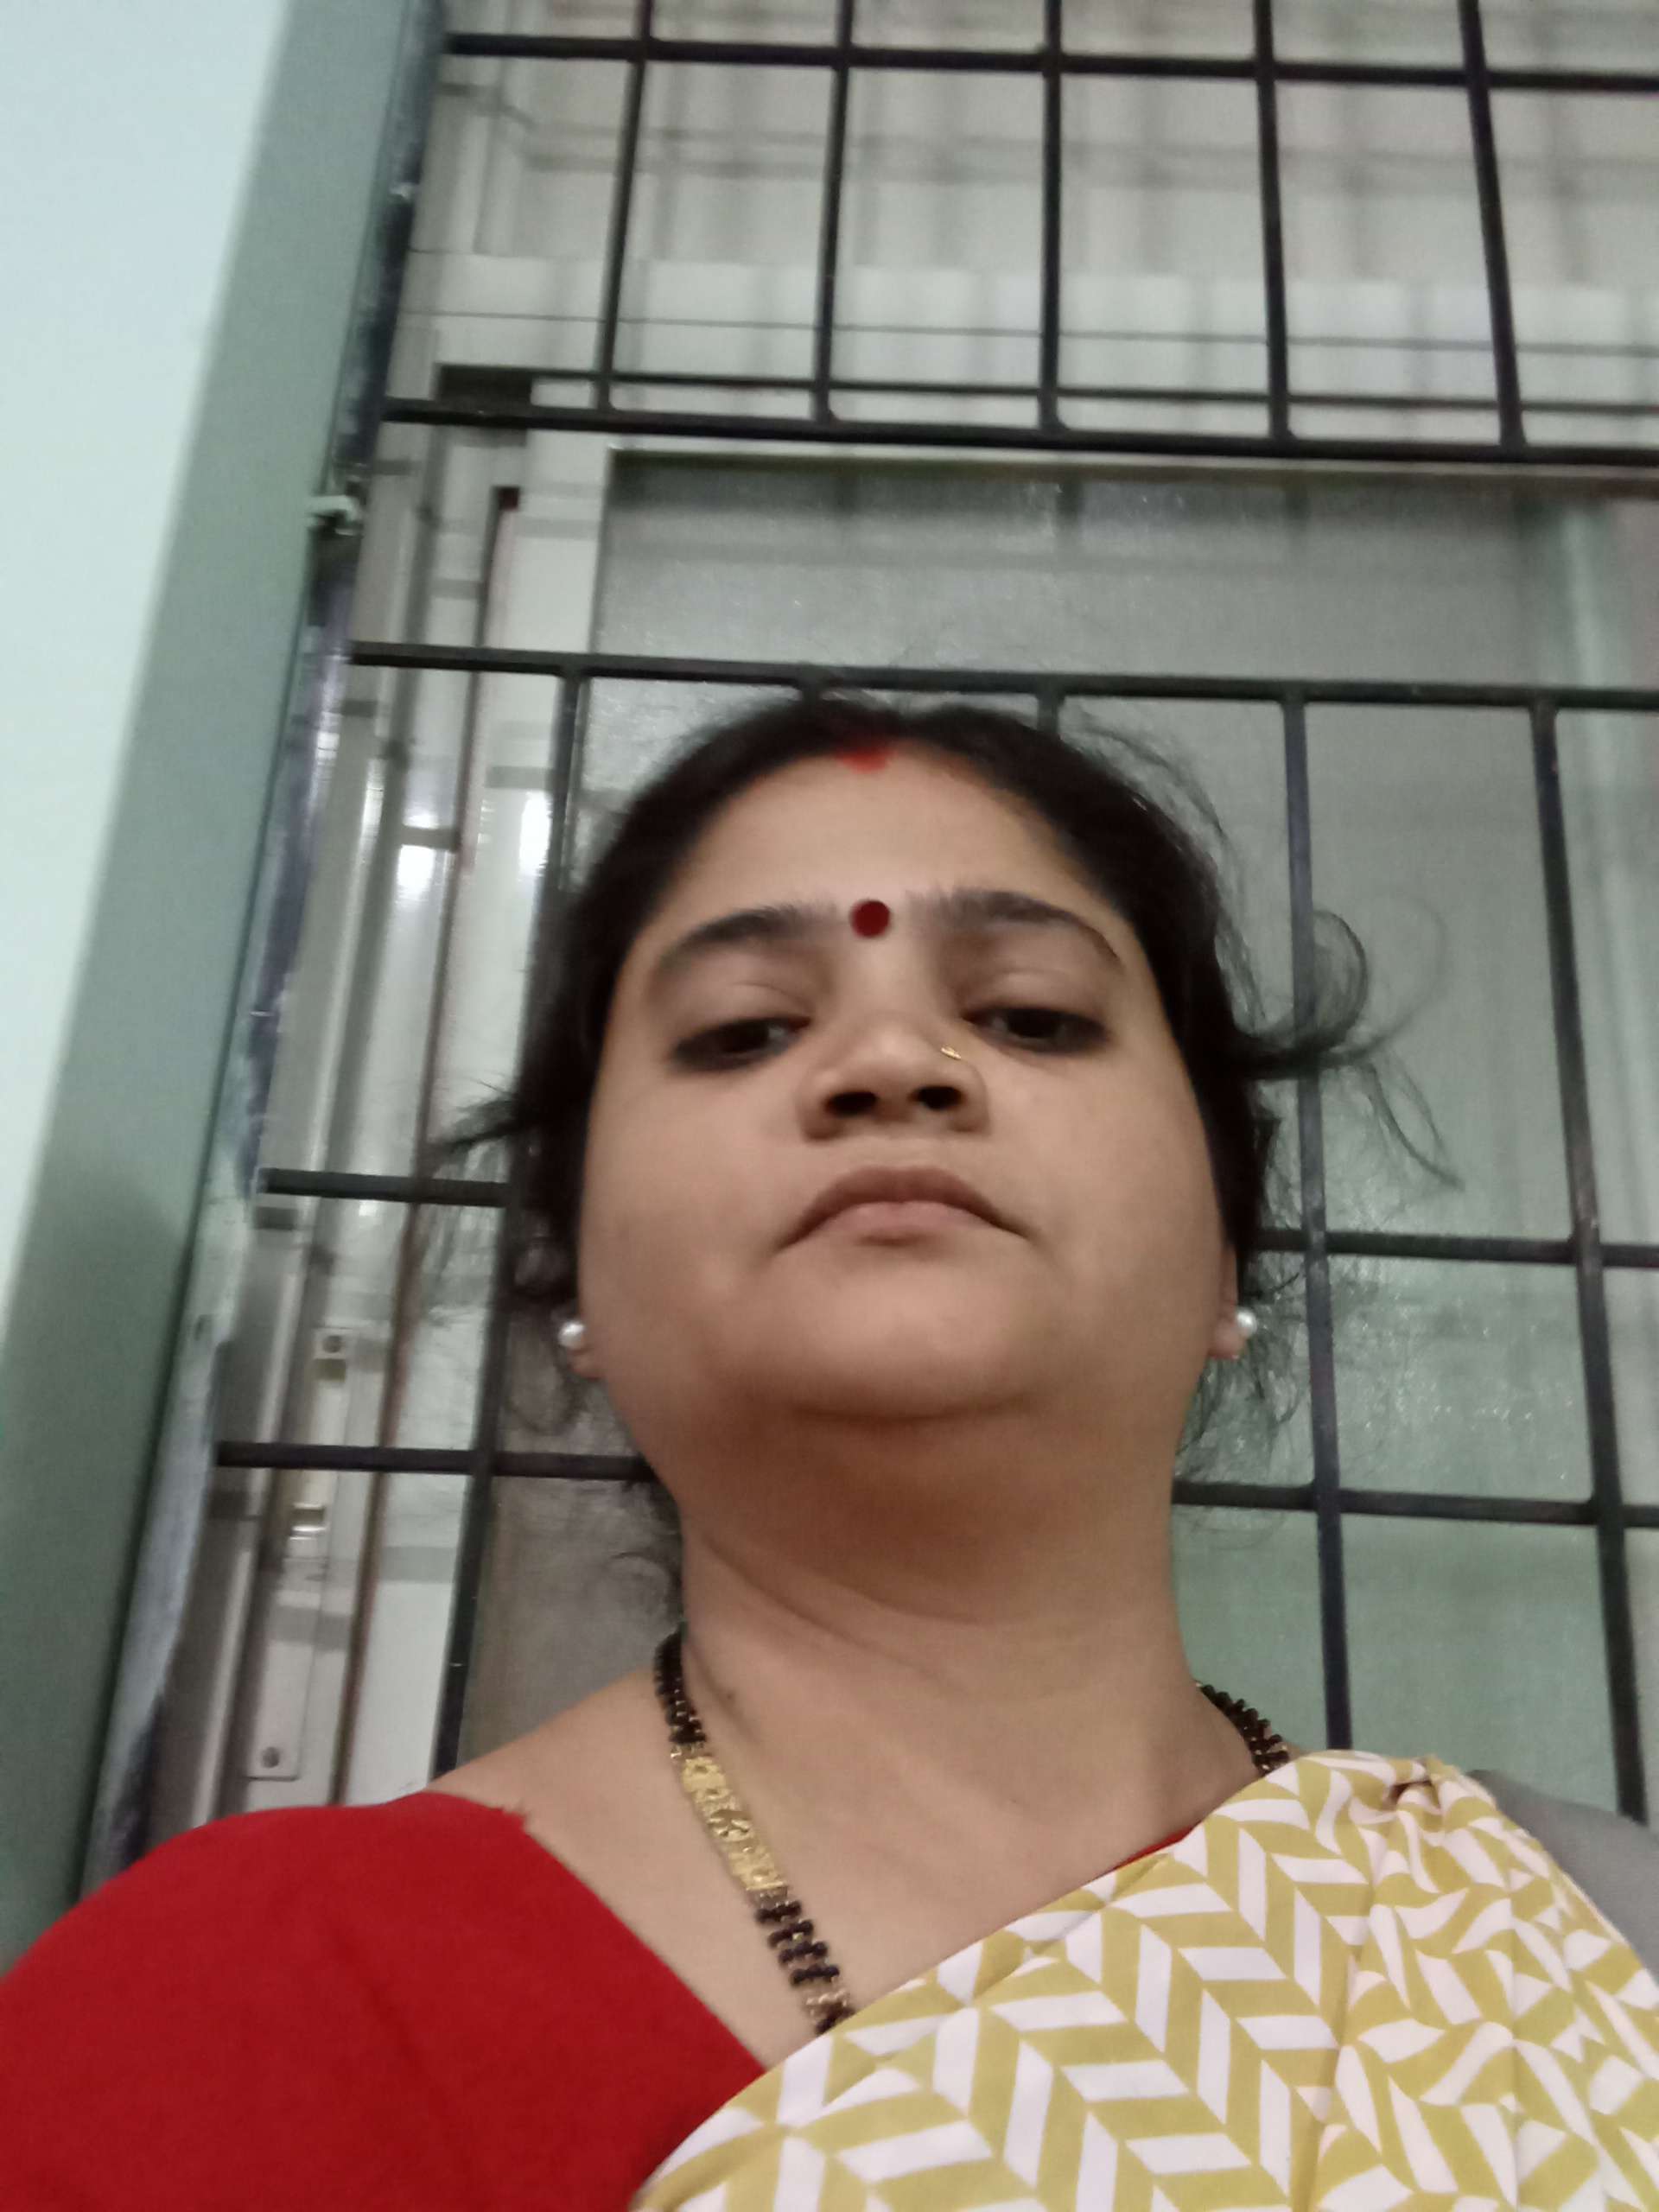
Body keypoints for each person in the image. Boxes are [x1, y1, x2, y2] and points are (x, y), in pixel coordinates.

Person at [3, 696, 1656, 2209]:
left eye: (1029, 1013)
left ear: (1229, 1246)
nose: (888, 1064)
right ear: (571, 1275)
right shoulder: (234, 2011)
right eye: (741, 1031)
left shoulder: (1584, 1934)